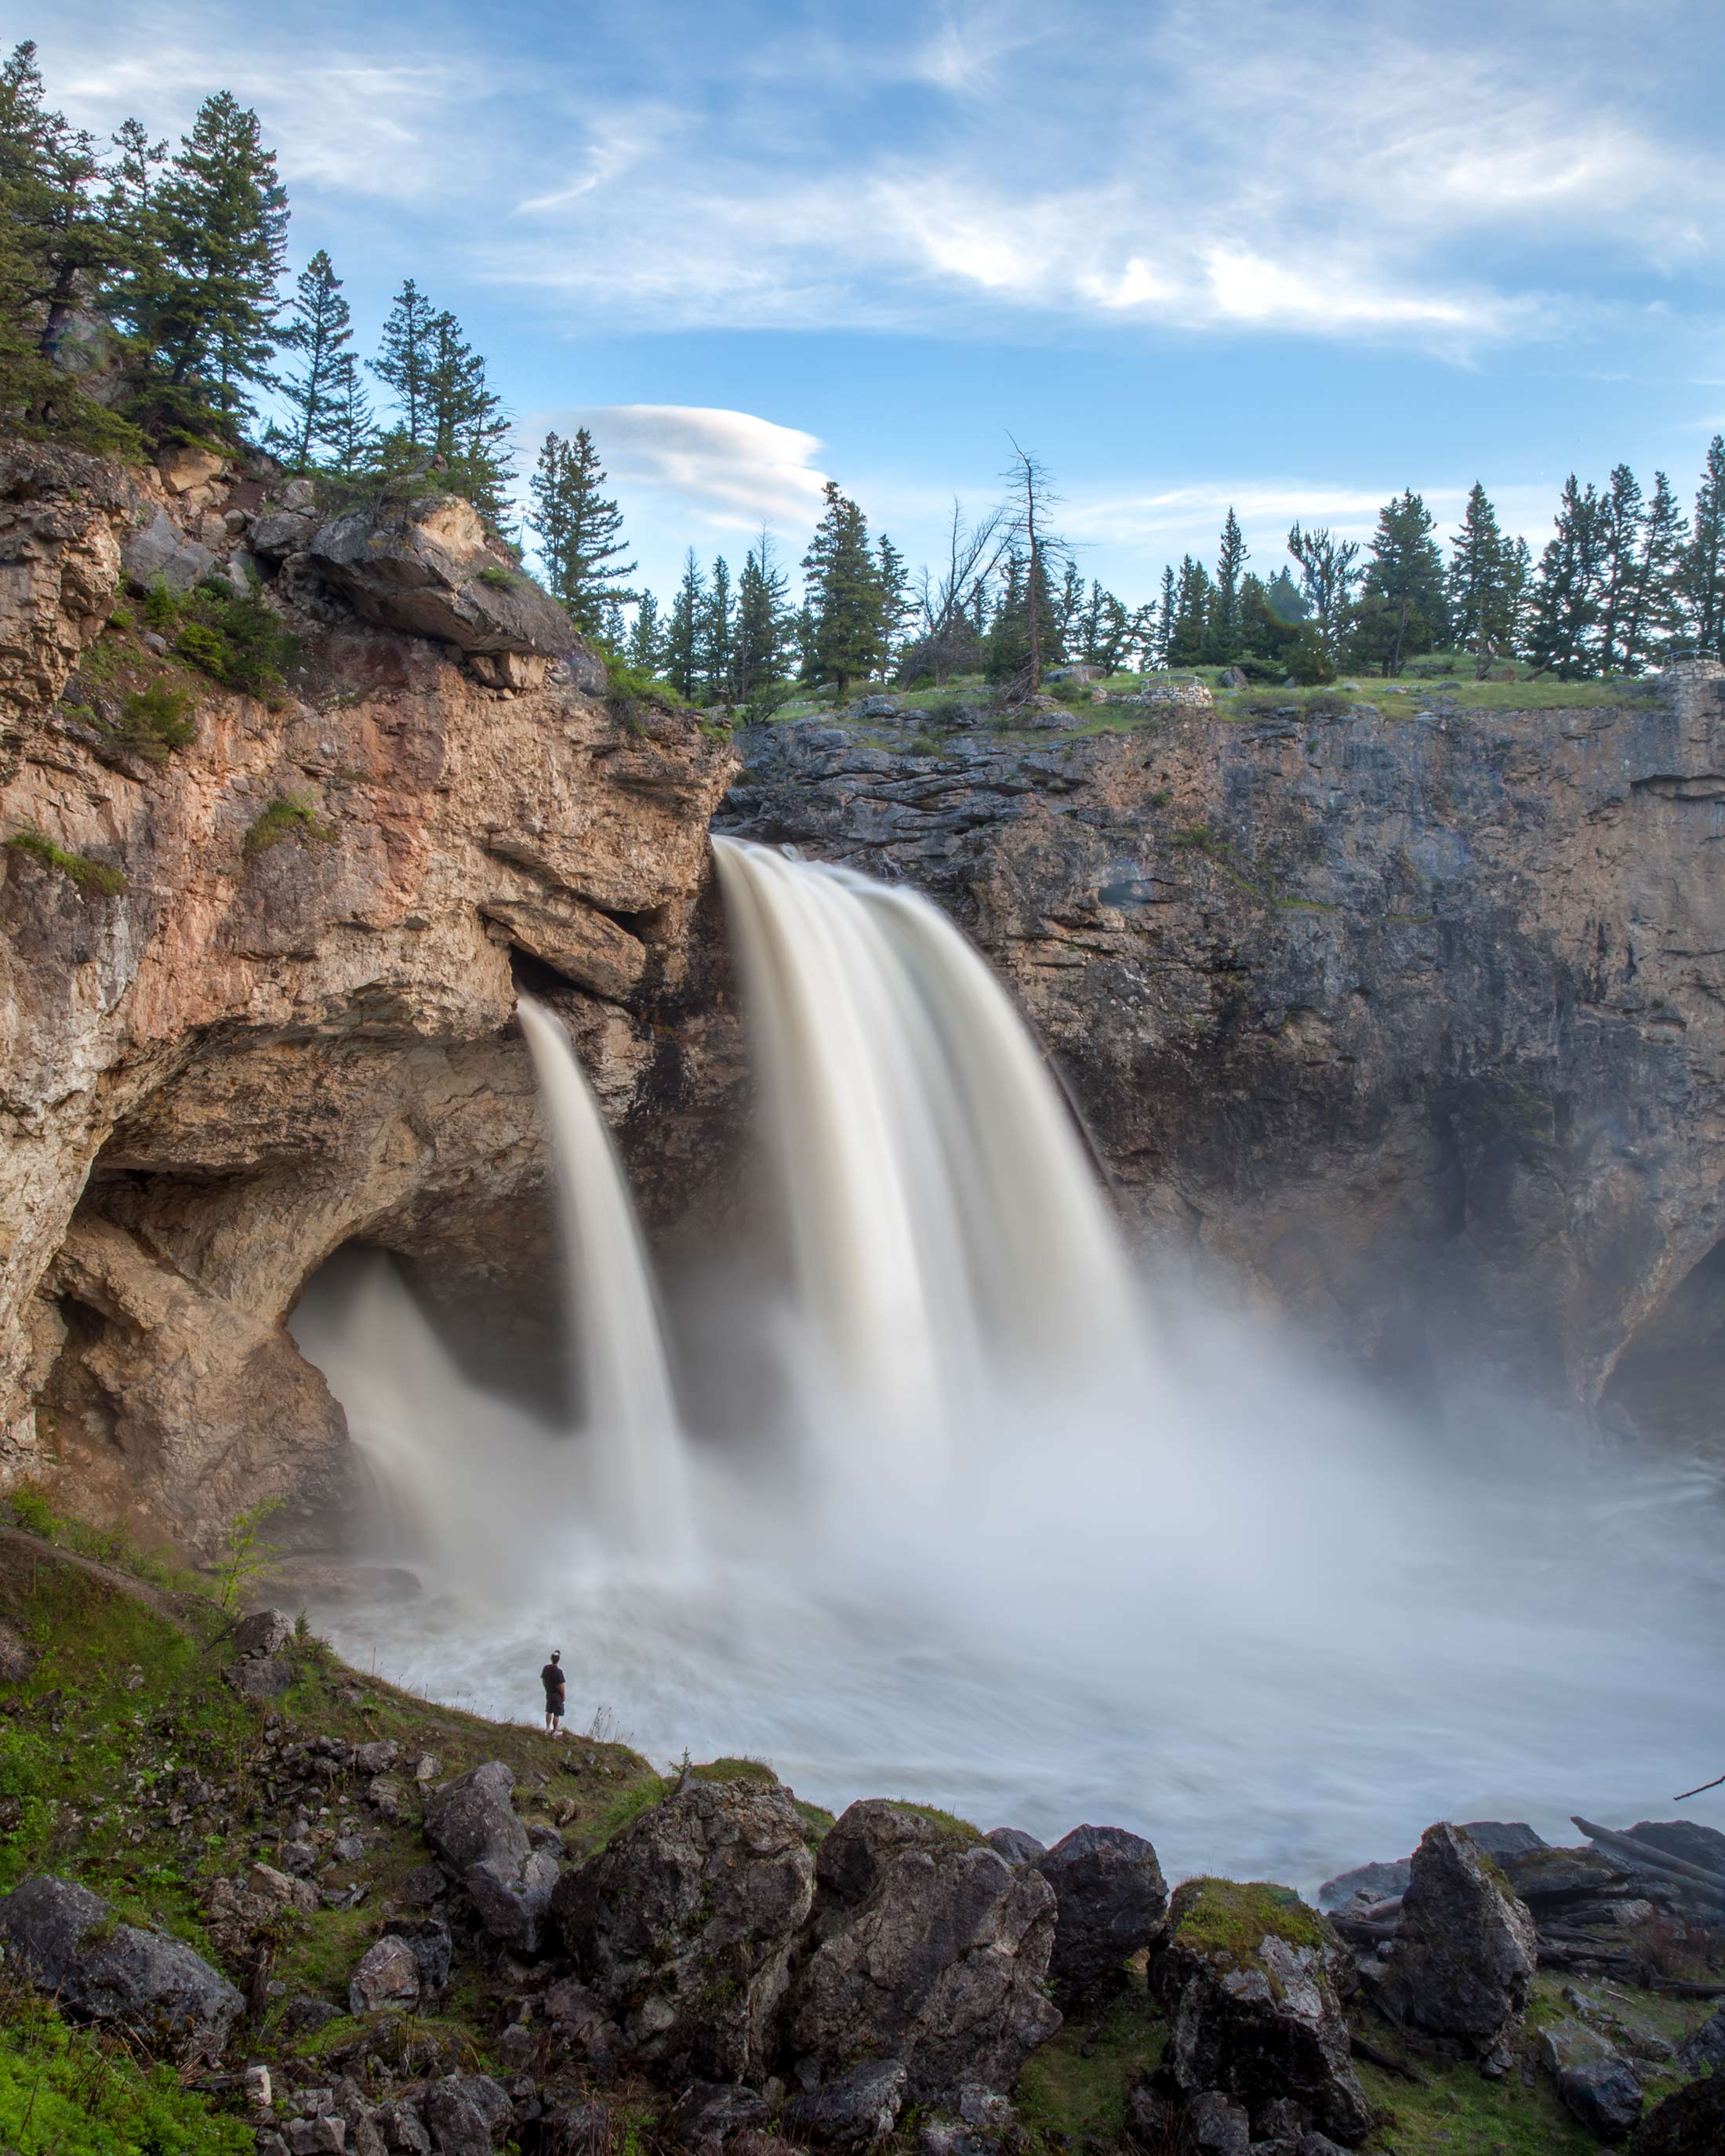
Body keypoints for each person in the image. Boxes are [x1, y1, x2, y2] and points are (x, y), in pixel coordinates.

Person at [541, 1650, 566, 1737]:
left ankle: (547, 1729)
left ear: (551, 1658)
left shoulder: (546, 1668)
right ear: (558, 1660)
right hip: (557, 1695)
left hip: (549, 1693)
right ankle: (555, 1732)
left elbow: (543, 1681)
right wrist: (563, 1696)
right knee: (556, 1713)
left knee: (548, 1711)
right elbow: (561, 1686)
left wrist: (546, 1689)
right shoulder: (559, 1672)